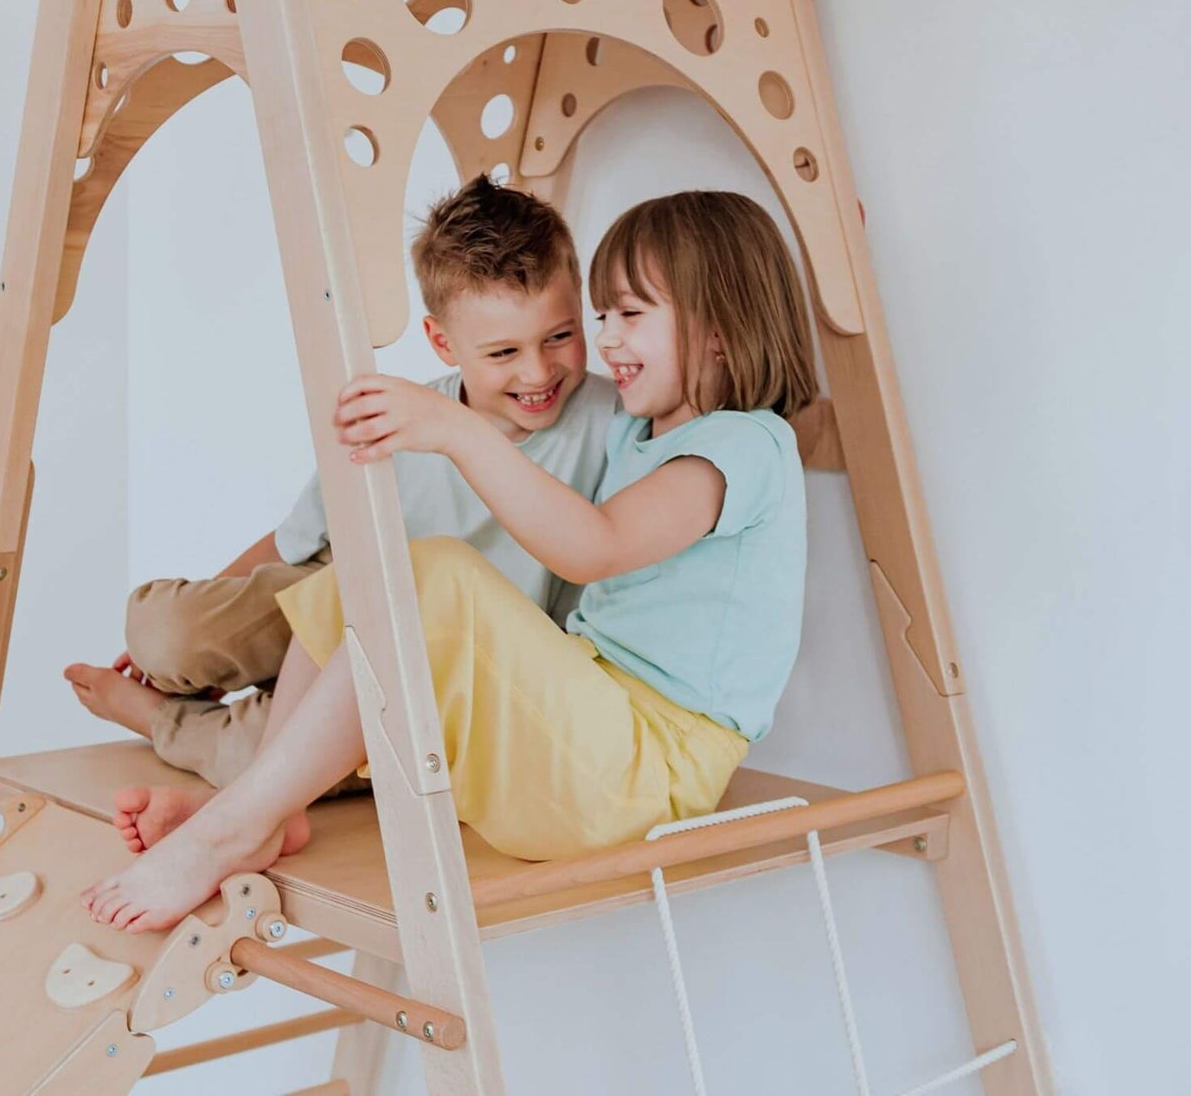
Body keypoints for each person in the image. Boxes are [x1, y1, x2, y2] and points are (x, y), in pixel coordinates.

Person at [82, 190, 817, 931]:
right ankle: (266, 812)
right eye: (603, 316)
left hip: (651, 774)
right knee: (375, 571)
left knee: (432, 573)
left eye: (628, 314)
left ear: (717, 327)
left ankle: (229, 823)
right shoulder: (638, 431)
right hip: (590, 741)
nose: (608, 339)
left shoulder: (747, 443)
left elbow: (597, 546)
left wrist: (457, 431)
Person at [64, 174, 618, 846]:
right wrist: (190, 645)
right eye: (503, 352)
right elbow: (292, 542)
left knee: (273, 764)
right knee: (163, 629)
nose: (537, 372)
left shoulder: (610, 419)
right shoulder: (403, 413)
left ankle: (159, 721)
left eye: (559, 336)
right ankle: (178, 679)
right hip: (332, 587)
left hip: (429, 658)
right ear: (442, 342)